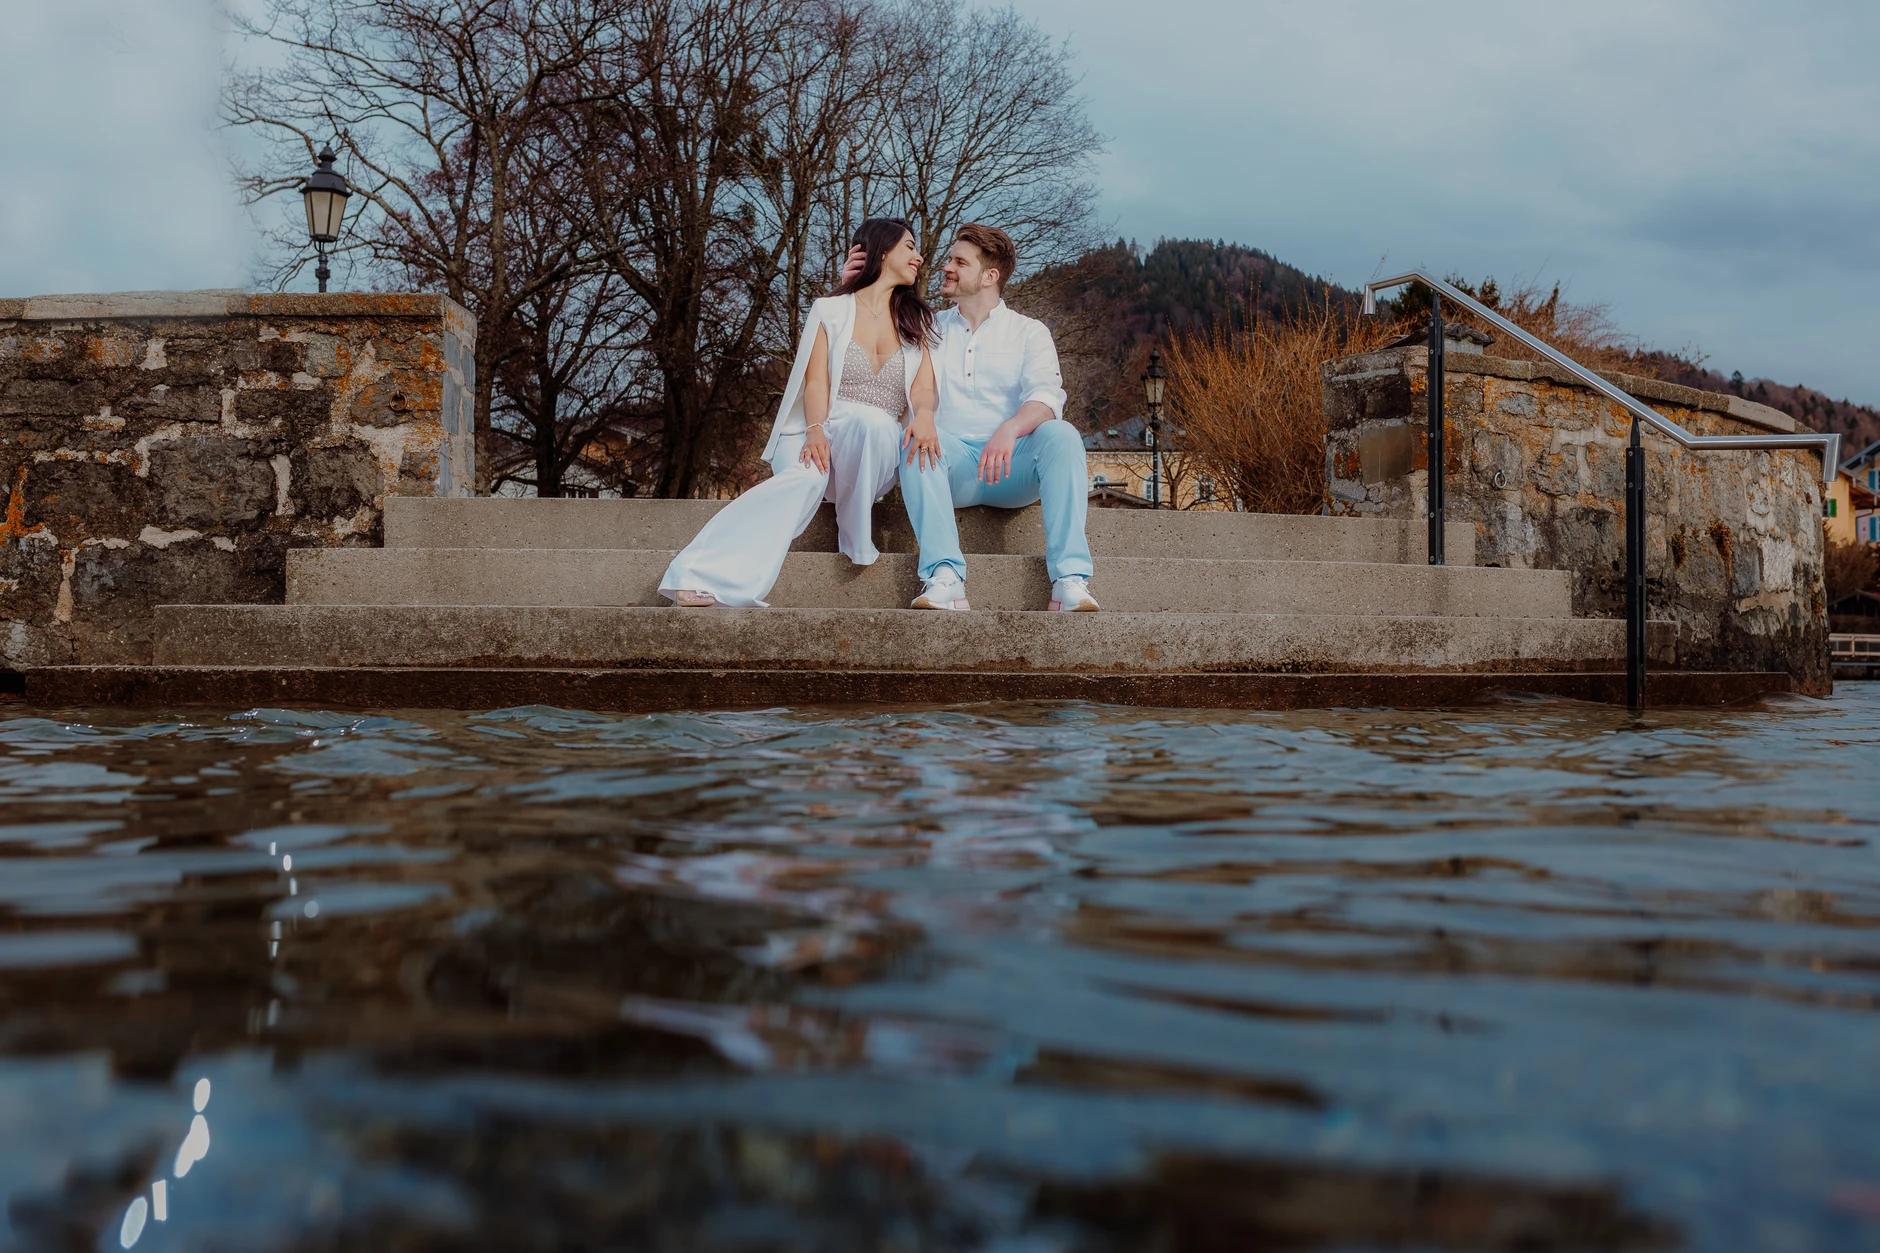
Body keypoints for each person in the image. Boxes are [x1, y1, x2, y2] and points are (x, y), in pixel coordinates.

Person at [659, 219, 939, 607]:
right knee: (803, 480)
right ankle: (694, 575)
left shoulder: (918, 323)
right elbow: (815, 382)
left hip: (876, 452)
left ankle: (855, 528)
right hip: (821, 430)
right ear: (882, 250)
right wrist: (815, 429)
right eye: (909, 246)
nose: (918, 256)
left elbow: (924, 389)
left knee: (872, 421)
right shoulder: (831, 310)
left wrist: (924, 415)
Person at [858, 222, 1096, 611]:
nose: (946, 267)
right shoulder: (927, 327)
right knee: (916, 437)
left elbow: (1046, 397)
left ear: (990, 276)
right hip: (950, 467)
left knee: (1063, 435)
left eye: (959, 262)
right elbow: (874, 349)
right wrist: (857, 281)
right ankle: (945, 577)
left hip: (1013, 467)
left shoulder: (1029, 332)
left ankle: (1070, 581)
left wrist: (1010, 428)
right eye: (949, 258)